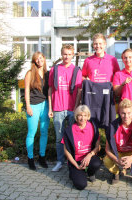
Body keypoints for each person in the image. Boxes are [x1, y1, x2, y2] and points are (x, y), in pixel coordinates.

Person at [48, 44, 82, 172]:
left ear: (72, 55)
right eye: (64, 54)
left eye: (69, 54)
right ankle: (60, 161)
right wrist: (50, 108)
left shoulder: (77, 70)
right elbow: (50, 88)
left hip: (71, 110)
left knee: (72, 137)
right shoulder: (55, 70)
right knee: (59, 138)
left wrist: (76, 108)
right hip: (57, 109)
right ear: (61, 54)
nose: (66, 56)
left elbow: (79, 90)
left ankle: (72, 161)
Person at [104, 98, 132, 187]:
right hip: (119, 153)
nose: (126, 116)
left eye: (129, 113)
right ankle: (116, 173)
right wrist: (117, 160)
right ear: (119, 113)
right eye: (123, 113)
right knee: (106, 160)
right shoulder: (112, 127)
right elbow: (107, 149)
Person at [62, 105, 101, 190]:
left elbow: (98, 146)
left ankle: (90, 173)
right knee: (81, 185)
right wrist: (76, 165)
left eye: (85, 115)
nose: (82, 118)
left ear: (88, 116)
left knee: (97, 163)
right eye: (80, 115)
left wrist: (89, 155)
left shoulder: (93, 127)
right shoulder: (69, 130)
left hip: (88, 158)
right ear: (76, 116)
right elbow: (66, 151)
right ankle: (74, 172)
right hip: (76, 161)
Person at [24, 51, 50, 170]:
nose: (39, 60)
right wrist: (28, 106)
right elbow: (26, 92)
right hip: (33, 106)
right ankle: (30, 159)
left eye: (41, 58)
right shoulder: (30, 73)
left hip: (45, 105)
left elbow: (49, 91)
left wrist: (50, 107)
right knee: (32, 133)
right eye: (37, 59)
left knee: (44, 132)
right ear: (34, 61)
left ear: (44, 58)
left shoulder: (47, 74)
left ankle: (42, 157)